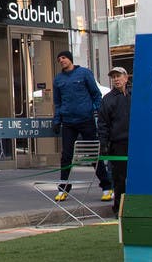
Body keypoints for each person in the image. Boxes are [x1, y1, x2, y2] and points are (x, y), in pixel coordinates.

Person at [51, 50, 105, 202]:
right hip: (68, 122)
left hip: (86, 120)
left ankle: (107, 186)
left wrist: (98, 112)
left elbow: (96, 94)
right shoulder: (58, 79)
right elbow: (57, 102)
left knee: (93, 154)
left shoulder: (84, 73)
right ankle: (63, 189)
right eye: (59, 59)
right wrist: (57, 120)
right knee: (66, 156)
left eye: (64, 57)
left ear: (70, 59)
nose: (61, 60)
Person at [98, 65, 131, 213]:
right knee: (119, 179)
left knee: (137, 176)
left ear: (126, 78)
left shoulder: (134, 95)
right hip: (118, 143)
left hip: (136, 143)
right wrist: (104, 143)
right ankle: (119, 209)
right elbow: (103, 123)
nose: (116, 79)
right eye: (114, 77)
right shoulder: (108, 99)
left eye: (119, 76)